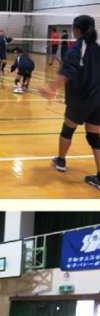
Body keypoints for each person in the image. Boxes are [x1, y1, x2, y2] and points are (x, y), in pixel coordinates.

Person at [40, 15, 100, 189]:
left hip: (80, 100)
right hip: (97, 100)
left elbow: (69, 71)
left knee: (68, 129)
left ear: (76, 29)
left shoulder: (77, 49)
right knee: (94, 138)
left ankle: (61, 160)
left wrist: (52, 88)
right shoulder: (97, 48)